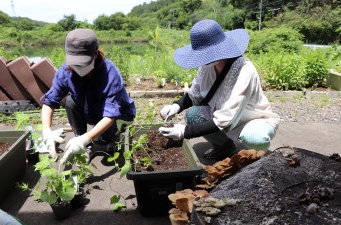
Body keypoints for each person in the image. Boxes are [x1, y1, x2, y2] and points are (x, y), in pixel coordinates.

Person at [159, 19, 280, 160]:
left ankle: (256, 159)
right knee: (192, 115)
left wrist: (184, 131)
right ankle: (225, 146)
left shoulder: (244, 70)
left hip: (251, 119)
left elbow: (225, 117)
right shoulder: (207, 66)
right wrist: (176, 106)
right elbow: (195, 94)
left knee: (254, 139)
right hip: (223, 116)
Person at [41, 28, 136, 164]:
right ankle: (84, 143)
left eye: (83, 63)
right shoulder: (65, 72)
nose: (78, 68)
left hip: (119, 115)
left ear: (96, 54)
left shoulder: (110, 74)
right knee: (70, 101)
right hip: (93, 110)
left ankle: (109, 138)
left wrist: (87, 138)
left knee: (104, 140)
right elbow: (49, 102)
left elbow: (110, 115)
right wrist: (46, 131)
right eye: (74, 63)